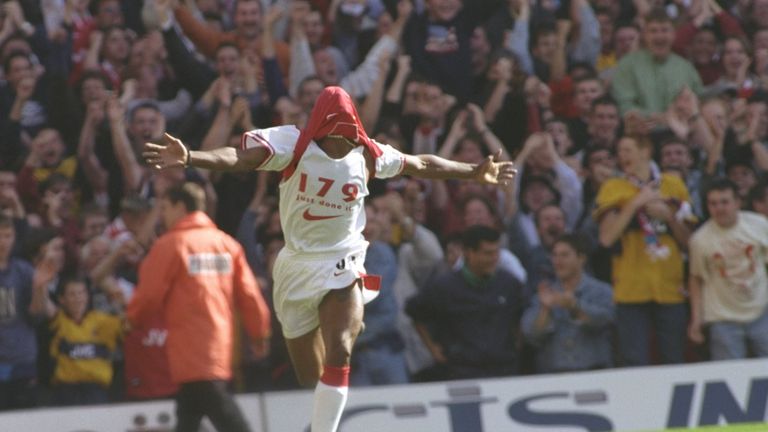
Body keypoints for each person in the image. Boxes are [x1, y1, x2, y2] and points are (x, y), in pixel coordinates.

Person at [142, 86, 516, 432]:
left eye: (350, 132)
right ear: (321, 129)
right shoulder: (292, 144)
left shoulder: (368, 154)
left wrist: (473, 172)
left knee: (341, 347)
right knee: (312, 375)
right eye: (338, 134)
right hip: (297, 266)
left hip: (343, 258)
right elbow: (238, 158)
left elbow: (420, 163)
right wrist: (191, 157)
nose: (346, 140)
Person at [126, 182, 270, 432]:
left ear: (180, 206)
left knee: (224, 415)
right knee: (190, 412)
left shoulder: (172, 245)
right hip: (219, 345)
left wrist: (132, 320)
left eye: (165, 208)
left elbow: (148, 295)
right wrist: (259, 333)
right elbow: (249, 295)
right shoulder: (227, 245)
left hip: (189, 349)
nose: (162, 215)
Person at [595, 135, 695, 366]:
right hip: (631, 286)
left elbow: (689, 242)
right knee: (634, 359)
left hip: (670, 285)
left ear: (645, 150)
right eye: (619, 151)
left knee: (674, 357)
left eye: (627, 149)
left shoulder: (673, 185)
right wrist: (634, 204)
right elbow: (606, 238)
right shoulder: (613, 188)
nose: (623, 156)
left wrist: (669, 217)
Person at [406, 225, 527, 380]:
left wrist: (515, 345)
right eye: (487, 253)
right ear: (469, 253)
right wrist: (432, 348)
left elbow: (518, 317)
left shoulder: (509, 284)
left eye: (496, 253)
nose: (494, 259)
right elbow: (415, 312)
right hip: (461, 372)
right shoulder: (444, 286)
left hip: (503, 369)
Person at [688, 179, 768, 360]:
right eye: (713, 203)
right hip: (723, 318)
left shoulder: (760, 225)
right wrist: (696, 319)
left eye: (725, 202)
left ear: (737, 202)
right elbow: (696, 278)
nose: (719, 208)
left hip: (762, 310)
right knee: (730, 375)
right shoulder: (700, 239)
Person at [521, 233, 615, 373]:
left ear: (581, 258)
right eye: (554, 255)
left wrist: (574, 306)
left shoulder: (602, 291)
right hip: (553, 375)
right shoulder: (543, 294)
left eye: (564, 255)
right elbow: (531, 335)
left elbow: (606, 320)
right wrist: (545, 309)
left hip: (594, 372)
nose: (558, 261)